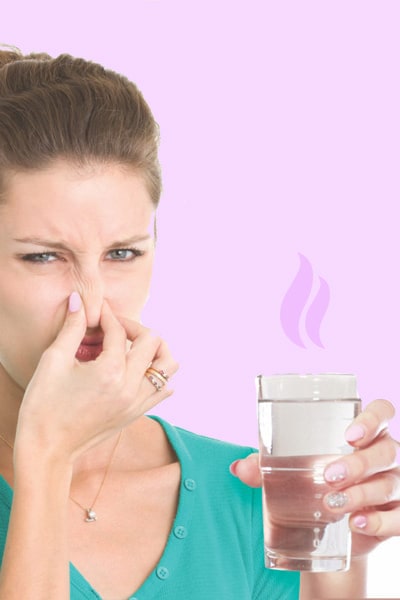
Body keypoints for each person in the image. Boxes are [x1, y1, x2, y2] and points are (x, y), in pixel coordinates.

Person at [0, 46, 398, 600]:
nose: (92, 307)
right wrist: (47, 458)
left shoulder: (249, 496)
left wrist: (336, 566)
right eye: (43, 256)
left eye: (122, 253)